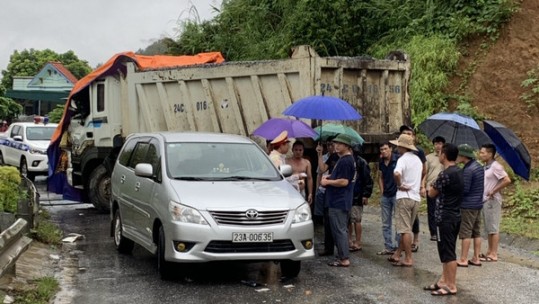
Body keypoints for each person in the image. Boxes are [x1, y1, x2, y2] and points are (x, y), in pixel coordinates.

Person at [425, 143, 463, 296]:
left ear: (444, 156)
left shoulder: (445, 174)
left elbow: (431, 193)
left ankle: (451, 285)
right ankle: (443, 280)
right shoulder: (459, 172)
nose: (438, 155)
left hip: (445, 217)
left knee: (448, 253)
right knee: (447, 250)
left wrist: (434, 183)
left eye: (440, 153)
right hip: (455, 215)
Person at [321, 134, 356, 267]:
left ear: (346, 146)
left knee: (339, 229)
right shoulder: (343, 159)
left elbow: (344, 181)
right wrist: (330, 176)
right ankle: (342, 255)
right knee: (341, 229)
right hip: (340, 200)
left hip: (339, 201)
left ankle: (344, 258)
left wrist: (327, 182)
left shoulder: (346, 160)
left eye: (339, 143)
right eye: (335, 143)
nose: (336, 145)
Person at [388, 134, 423, 267]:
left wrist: (399, 184)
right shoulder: (418, 160)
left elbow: (397, 173)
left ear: (402, 146)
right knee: (407, 227)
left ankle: (408, 258)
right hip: (415, 197)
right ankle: (398, 253)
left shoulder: (403, 159)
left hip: (404, 196)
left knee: (404, 230)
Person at [479, 143, 511, 262]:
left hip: (492, 200)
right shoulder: (486, 166)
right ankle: (489, 251)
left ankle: (494, 253)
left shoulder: (496, 166)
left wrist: (494, 190)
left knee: (493, 227)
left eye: (483, 152)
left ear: (490, 154)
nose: (480, 154)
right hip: (485, 200)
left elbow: (507, 180)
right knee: (488, 226)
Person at [456, 144, 485, 267]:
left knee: (466, 232)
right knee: (476, 232)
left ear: (463, 156)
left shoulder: (468, 170)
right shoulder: (478, 166)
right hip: (478, 203)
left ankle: (463, 259)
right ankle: (476, 257)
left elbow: (465, 189)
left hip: (468, 204)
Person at [399, 125, 426, 252]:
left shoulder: (417, 153)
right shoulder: (402, 155)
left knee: (407, 225)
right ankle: (399, 252)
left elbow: (424, 171)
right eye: (405, 133)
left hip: (408, 193)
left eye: (409, 133)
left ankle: (410, 250)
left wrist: (421, 185)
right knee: (405, 225)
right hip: (411, 194)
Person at [316, 136, 340, 256]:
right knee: (327, 221)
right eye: (329, 145)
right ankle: (328, 248)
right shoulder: (332, 157)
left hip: (339, 193)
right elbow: (322, 169)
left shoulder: (345, 158)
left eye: (333, 144)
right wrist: (320, 154)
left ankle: (342, 249)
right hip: (329, 192)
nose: (331, 147)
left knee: (339, 223)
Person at [348, 144, 373, 252]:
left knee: (356, 219)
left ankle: (357, 241)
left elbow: (368, 180)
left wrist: (365, 195)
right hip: (350, 194)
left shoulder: (362, 162)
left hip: (357, 194)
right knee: (349, 219)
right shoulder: (349, 161)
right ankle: (350, 240)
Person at [376, 142, 399, 255]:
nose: (383, 151)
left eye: (385, 149)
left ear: (390, 149)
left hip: (396, 194)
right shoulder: (381, 161)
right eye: (381, 149)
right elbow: (380, 177)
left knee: (398, 222)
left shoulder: (398, 160)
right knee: (386, 223)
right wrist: (382, 191)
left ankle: (399, 247)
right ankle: (388, 246)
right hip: (386, 195)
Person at [422, 136, 446, 241]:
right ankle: (433, 232)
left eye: (440, 143)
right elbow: (424, 173)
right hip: (430, 187)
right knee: (431, 211)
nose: (438, 146)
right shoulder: (428, 157)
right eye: (436, 143)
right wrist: (422, 187)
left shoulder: (447, 157)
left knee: (442, 210)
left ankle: (442, 231)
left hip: (443, 188)